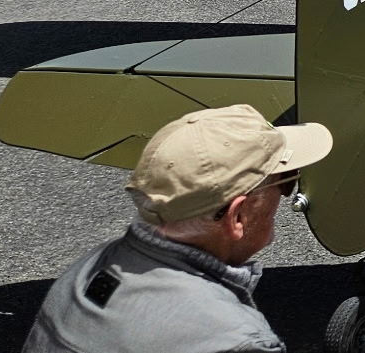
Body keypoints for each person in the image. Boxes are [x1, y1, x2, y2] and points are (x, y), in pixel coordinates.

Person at [24, 105, 333, 353]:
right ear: (237, 216)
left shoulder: (85, 271)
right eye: (286, 181)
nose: (287, 194)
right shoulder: (234, 340)